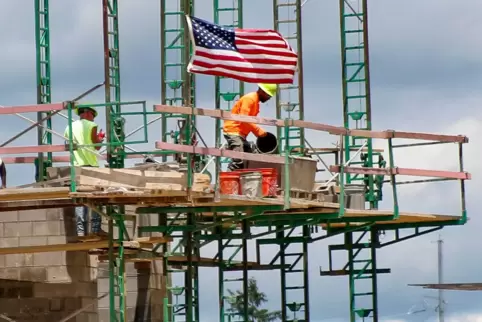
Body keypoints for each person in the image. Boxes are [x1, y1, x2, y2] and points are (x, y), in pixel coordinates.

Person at [64, 103, 107, 238]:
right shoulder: (91, 125)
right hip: (91, 166)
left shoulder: (69, 127)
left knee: (81, 199)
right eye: (93, 116)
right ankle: (95, 229)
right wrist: (100, 138)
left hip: (76, 167)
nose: (93, 119)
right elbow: (97, 146)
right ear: (88, 113)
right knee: (96, 198)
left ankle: (81, 231)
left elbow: (70, 145)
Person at [222, 83, 277, 171]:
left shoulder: (255, 102)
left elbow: (248, 121)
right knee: (238, 159)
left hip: (240, 133)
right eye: (268, 95)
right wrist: (258, 131)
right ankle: (228, 182)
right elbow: (244, 118)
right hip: (233, 130)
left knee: (248, 156)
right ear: (261, 91)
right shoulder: (250, 99)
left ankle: (243, 181)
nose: (268, 98)